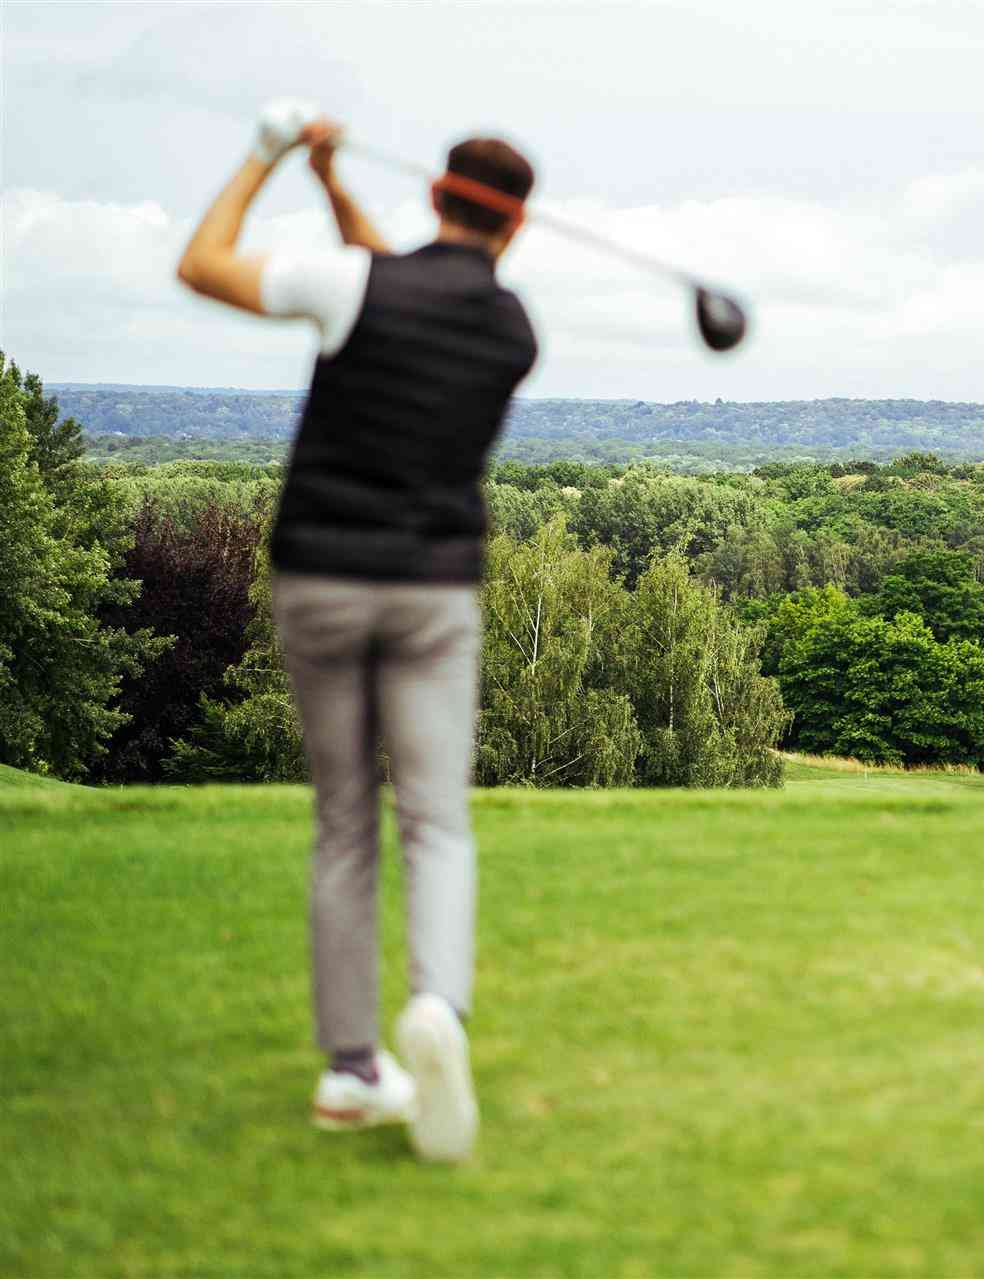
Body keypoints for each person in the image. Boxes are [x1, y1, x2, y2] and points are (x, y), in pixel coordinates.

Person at [176, 100, 539, 1162]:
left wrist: (270, 154)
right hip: (435, 592)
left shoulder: (357, 286)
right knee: (436, 821)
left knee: (343, 821)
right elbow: (405, 288)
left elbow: (205, 265)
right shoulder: (515, 329)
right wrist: (335, 185)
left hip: (321, 580)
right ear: (514, 227)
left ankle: (347, 1071)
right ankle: (438, 1008)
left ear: (434, 195)